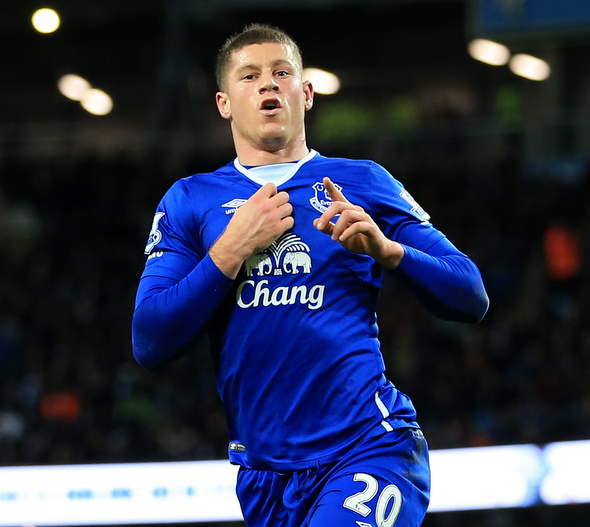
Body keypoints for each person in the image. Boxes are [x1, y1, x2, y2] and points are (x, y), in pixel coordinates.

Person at [131, 23, 489, 527]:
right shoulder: (190, 200)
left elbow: (470, 293)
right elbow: (149, 340)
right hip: (264, 472)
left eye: (282, 73)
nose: (268, 85)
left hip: (368, 448)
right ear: (223, 103)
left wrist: (389, 252)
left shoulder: (362, 181)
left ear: (307, 93)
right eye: (249, 76)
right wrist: (230, 249)